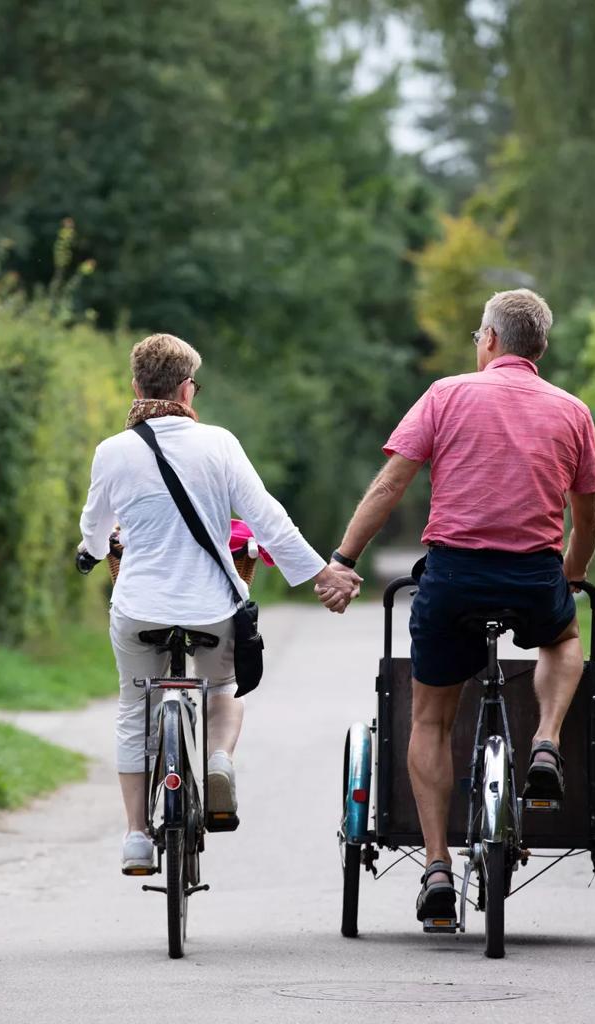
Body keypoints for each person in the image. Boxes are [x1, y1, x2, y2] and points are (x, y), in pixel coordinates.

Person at [316, 289, 595, 926]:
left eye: (479, 335)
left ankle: (438, 867)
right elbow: (588, 519)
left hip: (454, 578)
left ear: (492, 340)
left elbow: (391, 483)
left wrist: (344, 558)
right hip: (532, 577)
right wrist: (569, 579)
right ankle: (548, 742)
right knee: (561, 639)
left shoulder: (446, 395)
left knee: (430, 722)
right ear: (541, 349)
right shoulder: (573, 411)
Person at [79, 332, 361, 874]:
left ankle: (137, 836)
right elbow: (268, 518)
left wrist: (89, 554)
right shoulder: (220, 444)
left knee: (135, 708)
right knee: (224, 688)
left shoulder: (112, 452)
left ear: (136, 385)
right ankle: (217, 760)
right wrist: (323, 575)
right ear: (188, 389)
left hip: (139, 607)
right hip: (212, 609)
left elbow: (94, 529)